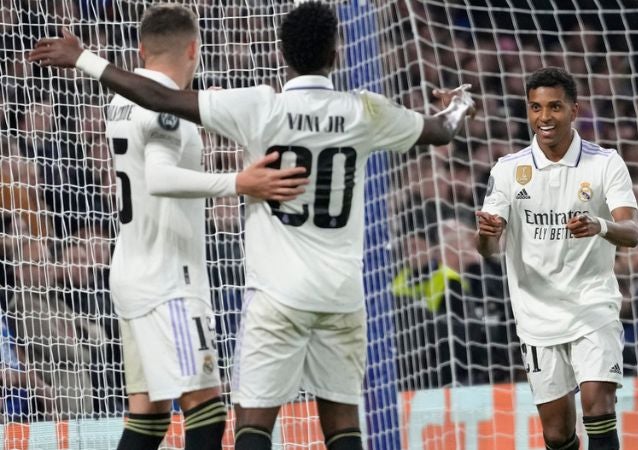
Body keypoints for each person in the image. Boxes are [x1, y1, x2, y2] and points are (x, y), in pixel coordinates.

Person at [28, 2, 476, 450]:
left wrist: (86, 58)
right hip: (337, 293)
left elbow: (159, 97)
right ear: (337, 54)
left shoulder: (257, 105)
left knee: (240, 423)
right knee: (341, 424)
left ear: (280, 52)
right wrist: (461, 105)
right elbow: (442, 130)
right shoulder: (365, 110)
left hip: (269, 294)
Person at [32, 5, 309, 450]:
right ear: (194, 49)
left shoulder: (121, 100)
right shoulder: (166, 111)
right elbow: (160, 177)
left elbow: (157, 126)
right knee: (207, 411)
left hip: (130, 273)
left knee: (148, 415)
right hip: (169, 283)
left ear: (141, 50)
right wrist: (241, 181)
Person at [476, 67, 638, 450]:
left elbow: (631, 232)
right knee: (557, 433)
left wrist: (599, 225)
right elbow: (488, 249)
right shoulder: (507, 170)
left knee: (598, 404)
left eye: (554, 107)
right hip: (536, 315)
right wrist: (486, 236)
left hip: (592, 305)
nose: (544, 117)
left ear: (574, 110)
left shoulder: (605, 163)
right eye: (535, 107)